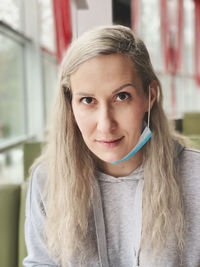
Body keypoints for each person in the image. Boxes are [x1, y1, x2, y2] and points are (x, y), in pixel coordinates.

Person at [23, 25, 200, 267]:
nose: (106, 125)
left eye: (122, 97)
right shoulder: (47, 179)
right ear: (70, 104)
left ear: (150, 96)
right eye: (87, 100)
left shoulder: (195, 175)